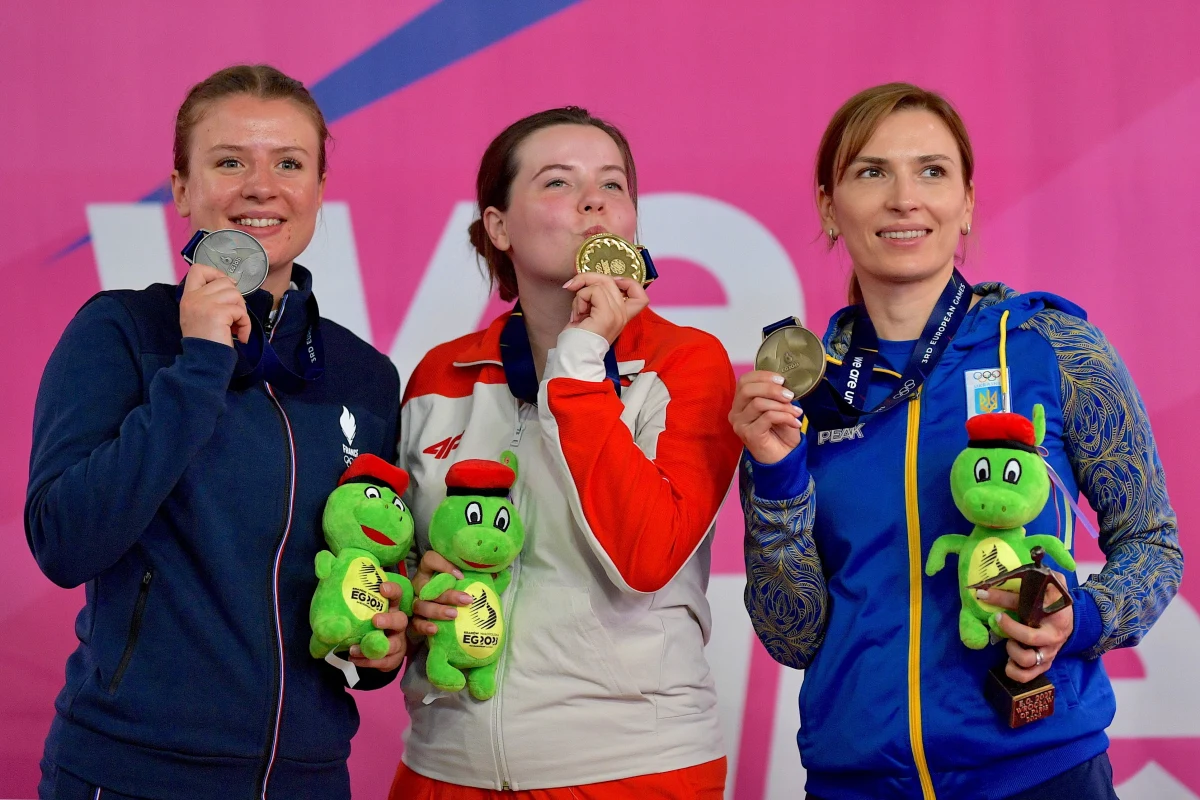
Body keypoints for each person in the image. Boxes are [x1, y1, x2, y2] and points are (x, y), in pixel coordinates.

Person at [732, 82, 1182, 800]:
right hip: (858, 783)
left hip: (1040, 775)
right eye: (871, 171)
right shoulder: (796, 397)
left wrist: (1082, 615)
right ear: (829, 205)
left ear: (967, 201)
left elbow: (1153, 543)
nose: (904, 198)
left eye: (932, 171)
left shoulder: (1050, 347)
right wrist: (779, 479)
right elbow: (793, 635)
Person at [26, 64, 408, 799]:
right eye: (229, 161)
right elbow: (63, 541)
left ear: (320, 191)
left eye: (289, 164)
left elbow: (368, 561)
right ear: (182, 188)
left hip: (309, 780)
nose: (260, 187)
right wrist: (200, 363)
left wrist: (378, 648)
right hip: (132, 774)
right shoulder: (123, 332)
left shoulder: (363, 374)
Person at [388, 107, 742, 799]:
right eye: (558, 183)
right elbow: (396, 555)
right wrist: (411, 593)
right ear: (498, 228)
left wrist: (580, 362)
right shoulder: (441, 373)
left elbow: (643, 557)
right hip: (442, 768)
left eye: (612, 185)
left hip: (630, 771)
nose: (593, 202)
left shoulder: (687, 363)